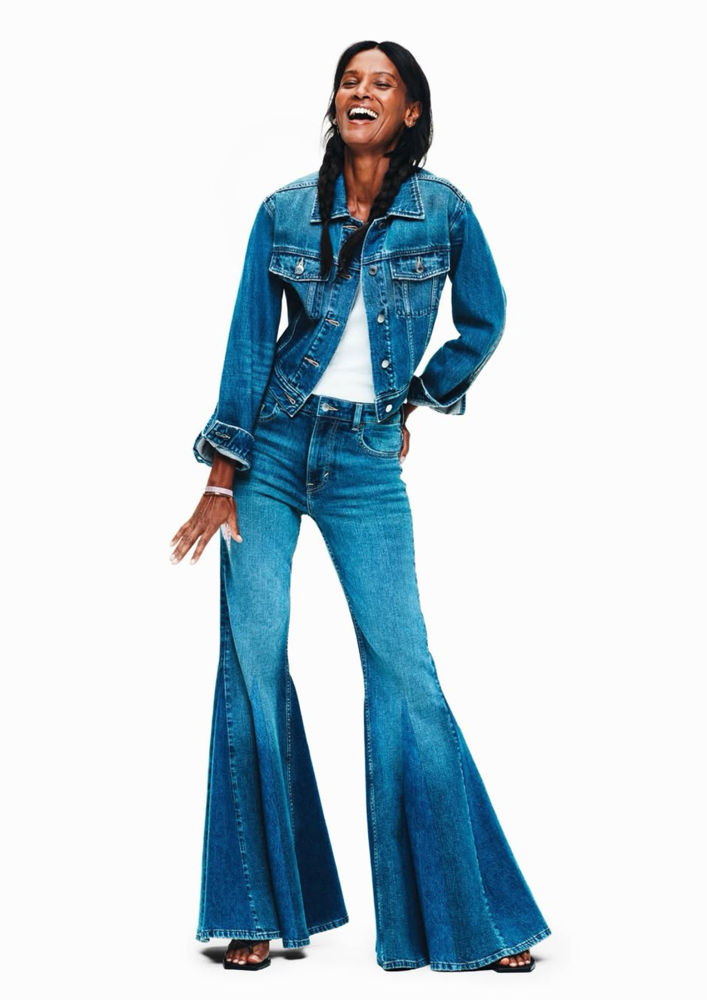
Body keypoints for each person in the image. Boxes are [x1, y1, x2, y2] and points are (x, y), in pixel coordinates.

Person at [170, 39, 551, 974]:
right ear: (334, 102)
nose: (361, 92)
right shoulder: (283, 211)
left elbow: (485, 320)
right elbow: (249, 342)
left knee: (405, 671)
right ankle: (255, 912)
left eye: (382, 83)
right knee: (253, 662)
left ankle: (471, 920)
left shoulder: (443, 211)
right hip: (268, 450)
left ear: (409, 110)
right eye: (350, 80)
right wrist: (221, 474)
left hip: (365, 462)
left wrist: (416, 399)